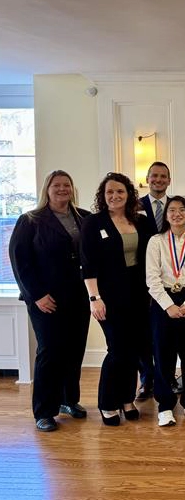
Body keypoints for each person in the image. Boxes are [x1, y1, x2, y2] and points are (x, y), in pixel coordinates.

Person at [9, 170, 91, 432]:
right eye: (57, 185)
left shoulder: (83, 218)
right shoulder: (30, 220)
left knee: (74, 349)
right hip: (46, 299)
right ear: (47, 189)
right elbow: (19, 261)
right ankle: (44, 411)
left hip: (78, 296)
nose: (62, 189)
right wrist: (37, 295)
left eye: (66, 185)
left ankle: (69, 400)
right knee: (50, 351)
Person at [81, 172, 155, 426]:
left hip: (139, 295)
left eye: (120, 191)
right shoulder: (93, 223)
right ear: (103, 196)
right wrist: (94, 298)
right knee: (117, 349)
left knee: (133, 350)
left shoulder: (142, 222)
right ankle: (107, 403)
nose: (115, 196)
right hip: (109, 297)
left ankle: (126, 399)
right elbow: (88, 263)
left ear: (129, 195)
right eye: (110, 192)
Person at [145, 196, 185, 426]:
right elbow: (151, 278)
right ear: (166, 215)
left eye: (182, 210)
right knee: (163, 356)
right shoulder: (156, 241)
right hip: (163, 302)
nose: (177, 214)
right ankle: (165, 405)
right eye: (172, 210)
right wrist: (168, 305)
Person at [136, 161, 172, 400]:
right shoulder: (134, 206)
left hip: (170, 278)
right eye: (154, 176)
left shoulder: (177, 206)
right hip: (139, 280)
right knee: (142, 334)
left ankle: (166, 379)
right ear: (147, 179)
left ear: (169, 180)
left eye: (163, 176)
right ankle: (146, 379)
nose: (158, 180)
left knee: (165, 334)